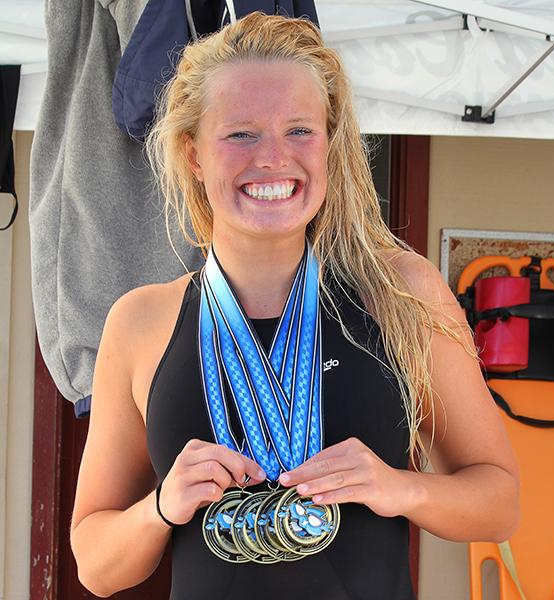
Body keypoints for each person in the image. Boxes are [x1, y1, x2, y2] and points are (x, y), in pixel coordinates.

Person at [70, 11, 520, 600]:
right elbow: (95, 566)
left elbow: (499, 501)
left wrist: (399, 488)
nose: (274, 158)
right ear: (194, 154)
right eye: (241, 133)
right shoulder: (140, 322)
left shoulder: (401, 292)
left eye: (300, 130)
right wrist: (161, 507)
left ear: (330, 146)